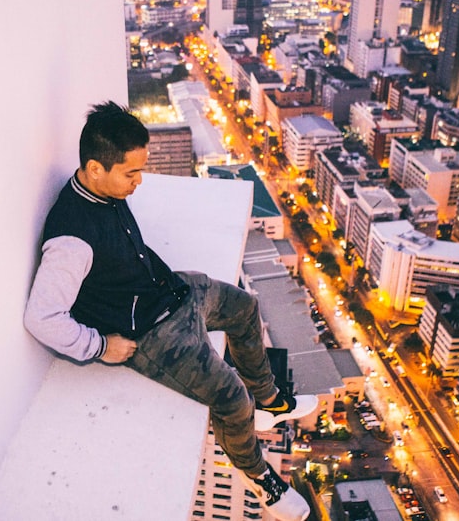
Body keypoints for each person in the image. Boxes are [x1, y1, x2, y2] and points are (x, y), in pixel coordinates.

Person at [24, 101, 310, 521]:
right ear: (95, 167)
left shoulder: (104, 188)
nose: (140, 182)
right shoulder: (72, 239)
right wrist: (101, 346)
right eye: (131, 173)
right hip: (151, 335)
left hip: (170, 291)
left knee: (244, 308)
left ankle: (270, 400)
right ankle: (259, 477)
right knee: (230, 397)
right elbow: (41, 317)